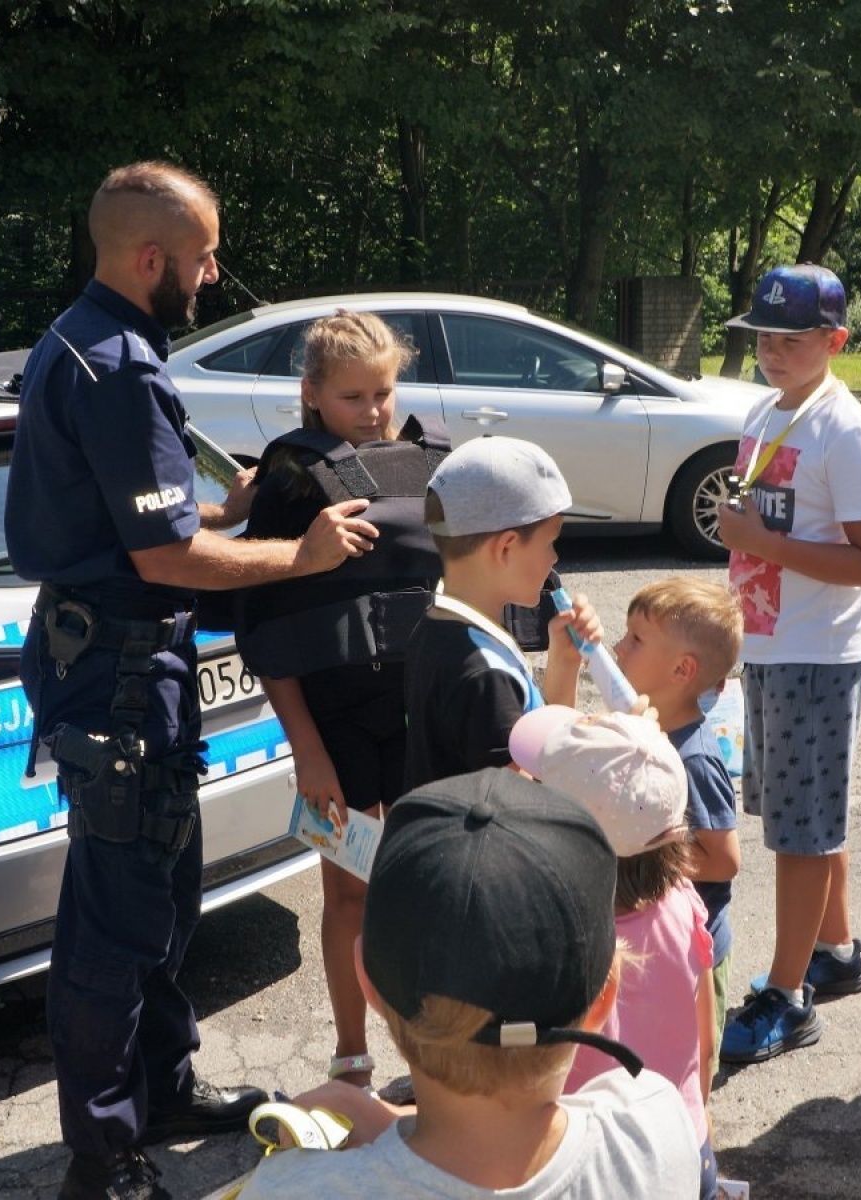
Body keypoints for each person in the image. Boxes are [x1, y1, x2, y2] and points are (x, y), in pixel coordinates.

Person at [3, 161, 380, 1200]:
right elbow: (160, 565)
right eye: (205, 254)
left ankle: (160, 1090)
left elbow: (149, 527)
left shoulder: (83, 340)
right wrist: (299, 555)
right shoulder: (117, 366)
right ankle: (104, 1154)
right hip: (118, 677)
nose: (215, 273)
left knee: (163, 900)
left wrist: (224, 511)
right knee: (116, 925)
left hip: (125, 667)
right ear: (150, 256)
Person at [233, 768, 703, 1197]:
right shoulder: (655, 1133)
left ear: (367, 982)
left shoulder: (291, 1189)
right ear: (605, 997)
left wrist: (379, 1126)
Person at [231, 309, 447, 1090]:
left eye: (384, 391)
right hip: (334, 728)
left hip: (423, 718)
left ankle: (434, 1054)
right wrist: (306, 749)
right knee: (349, 890)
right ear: (313, 394)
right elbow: (265, 631)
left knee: (429, 887)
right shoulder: (289, 482)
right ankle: (352, 1056)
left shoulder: (430, 465)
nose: (374, 410)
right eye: (353, 396)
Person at [715, 264, 861, 1064]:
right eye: (763, 335)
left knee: (799, 831)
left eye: (794, 338)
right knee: (806, 813)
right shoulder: (767, 410)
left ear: (836, 340)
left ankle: (789, 999)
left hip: (817, 655)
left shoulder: (845, 429)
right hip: (770, 644)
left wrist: (765, 545)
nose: (774, 351)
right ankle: (837, 952)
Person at [510, 705, 719, 1199]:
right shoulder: (684, 904)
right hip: (682, 1146)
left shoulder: (552, 939)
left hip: (589, 1169)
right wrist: (697, 1121)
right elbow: (705, 1041)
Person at [403, 436, 602, 789]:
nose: (554, 559)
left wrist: (565, 661)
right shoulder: (484, 675)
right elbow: (531, 799)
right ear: (507, 547)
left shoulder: (438, 625)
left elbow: (540, 743)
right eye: (550, 542)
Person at [612, 578, 744, 1046]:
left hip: (695, 951)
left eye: (636, 639)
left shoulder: (693, 759)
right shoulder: (646, 727)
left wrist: (641, 850)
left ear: (682, 669)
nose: (619, 647)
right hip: (659, 939)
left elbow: (725, 859)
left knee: (689, 1061)